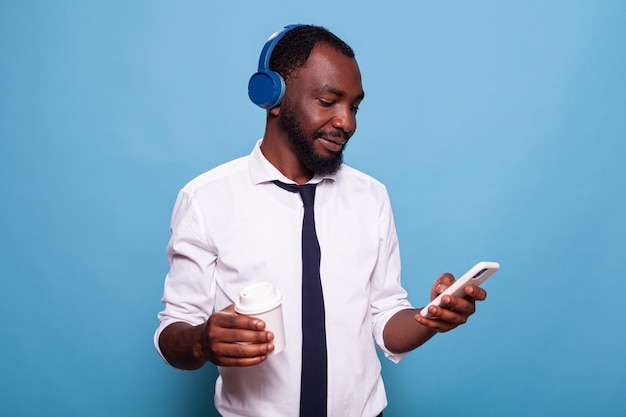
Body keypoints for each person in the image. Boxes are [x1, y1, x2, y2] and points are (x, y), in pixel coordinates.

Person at [155, 24, 487, 417]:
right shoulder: (206, 199)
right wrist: (201, 342)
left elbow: (384, 320)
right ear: (271, 96)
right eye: (329, 101)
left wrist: (429, 318)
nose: (347, 122)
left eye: (355, 106)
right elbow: (173, 331)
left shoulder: (371, 197)